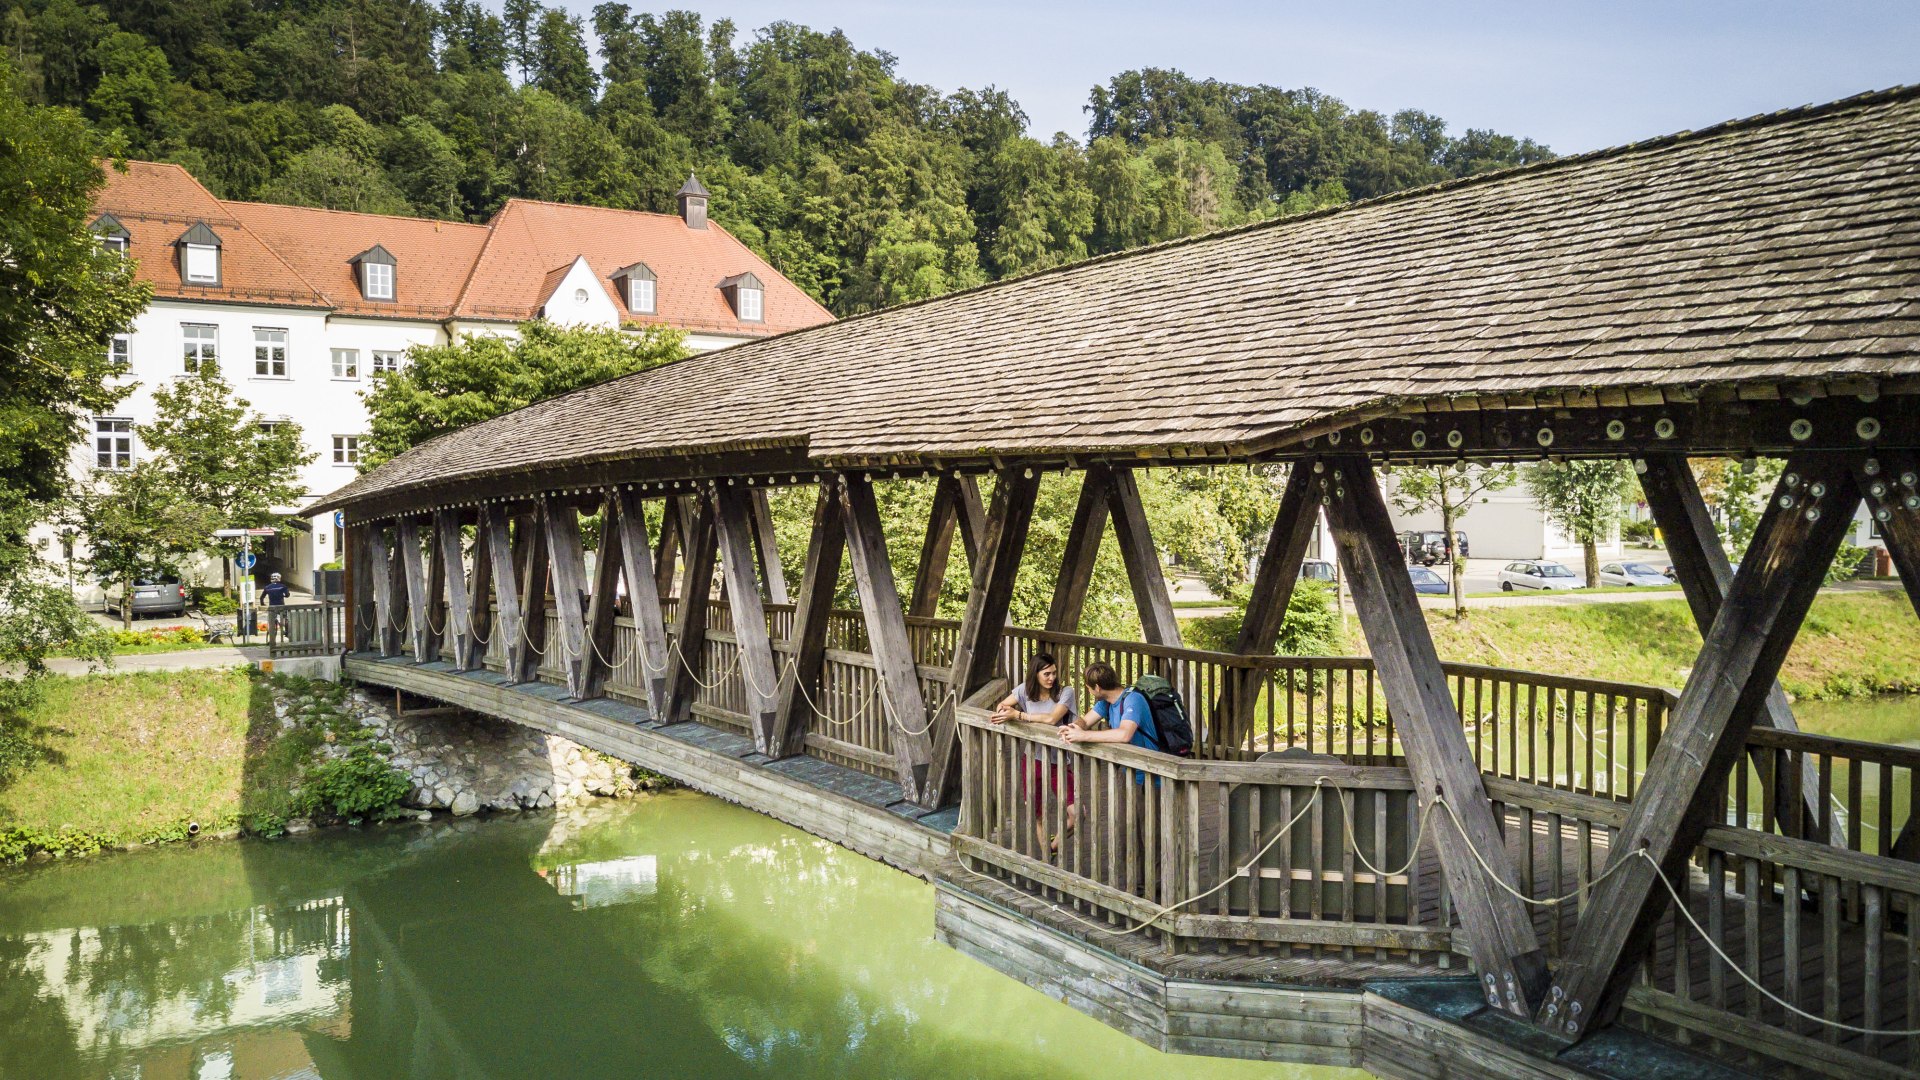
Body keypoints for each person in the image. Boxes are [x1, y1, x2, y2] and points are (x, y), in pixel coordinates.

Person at [990, 653, 1080, 853]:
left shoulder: (1066, 692)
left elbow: (1051, 718)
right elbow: (1002, 705)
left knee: (1076, 814)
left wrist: (1018, 715)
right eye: (1046, 674)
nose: (1052, 678)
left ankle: (1052, 847)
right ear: (1035, 674)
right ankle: (1047, 859)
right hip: (1032, 760)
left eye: (1054, 673)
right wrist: (1005, 713)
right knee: (1037, 813)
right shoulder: (1024, 690)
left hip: (1058, 761)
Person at [1062, 660, 1163, 754]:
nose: (1089, 691)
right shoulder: (1106, 701)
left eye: (1088, 688)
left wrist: (1083, 735)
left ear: (1097, 688)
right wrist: (1072, 728)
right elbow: (1085, 721)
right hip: (1130, 765)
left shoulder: (1133, 699)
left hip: (1149, 768)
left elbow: (1125, 734)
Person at [262, 572, 290, 638]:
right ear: (279, 578)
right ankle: (286, 632)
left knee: (271, 619)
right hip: (281, 606)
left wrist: (262, 603)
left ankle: (270, 632)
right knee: (285, 618)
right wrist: (284, 595)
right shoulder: (283, 586)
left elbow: (261, 597)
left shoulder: (267, 587)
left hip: (272, 607)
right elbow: (287, 595)